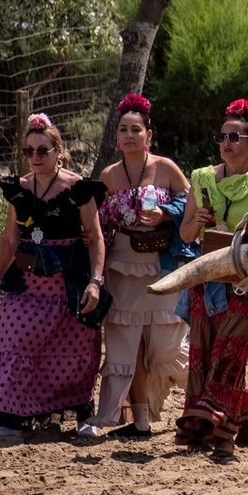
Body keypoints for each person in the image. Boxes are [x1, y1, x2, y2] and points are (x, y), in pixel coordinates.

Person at [0, 114, 108, 447]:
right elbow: (9, 240)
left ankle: (82, 414)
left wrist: (95, 281)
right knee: (12, 334)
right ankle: (9, 418)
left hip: (69, 280)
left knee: (75, 344)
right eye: (29, 151)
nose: (35, 157)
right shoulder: (19, 190)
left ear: (59, 151)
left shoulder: (78, 189)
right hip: (28, 280)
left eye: (43, 150)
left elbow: (94, 237)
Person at [79, 94, 198, 440]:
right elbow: (98, 222)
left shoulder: (166, 168)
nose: (129, 135)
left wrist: (166, 214)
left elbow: (191, 203)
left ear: (149, 134)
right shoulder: (108, 175)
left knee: (166, 345)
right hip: (122, 267)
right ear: (116, 137)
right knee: (124, 344)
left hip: (161, 267)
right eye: (123, 130)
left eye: (136, 129)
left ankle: (207, 398)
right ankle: (128, 419)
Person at [175, 98, 248, 460]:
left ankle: (221, 433)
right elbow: (186, 235)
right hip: (206, 278)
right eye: (223, 136)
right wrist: (198, 221)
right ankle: (247, 410)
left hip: (243, 280)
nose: (227, 143)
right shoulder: (202, 178)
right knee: (204, 354)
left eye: (235, 136)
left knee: (230, 352)